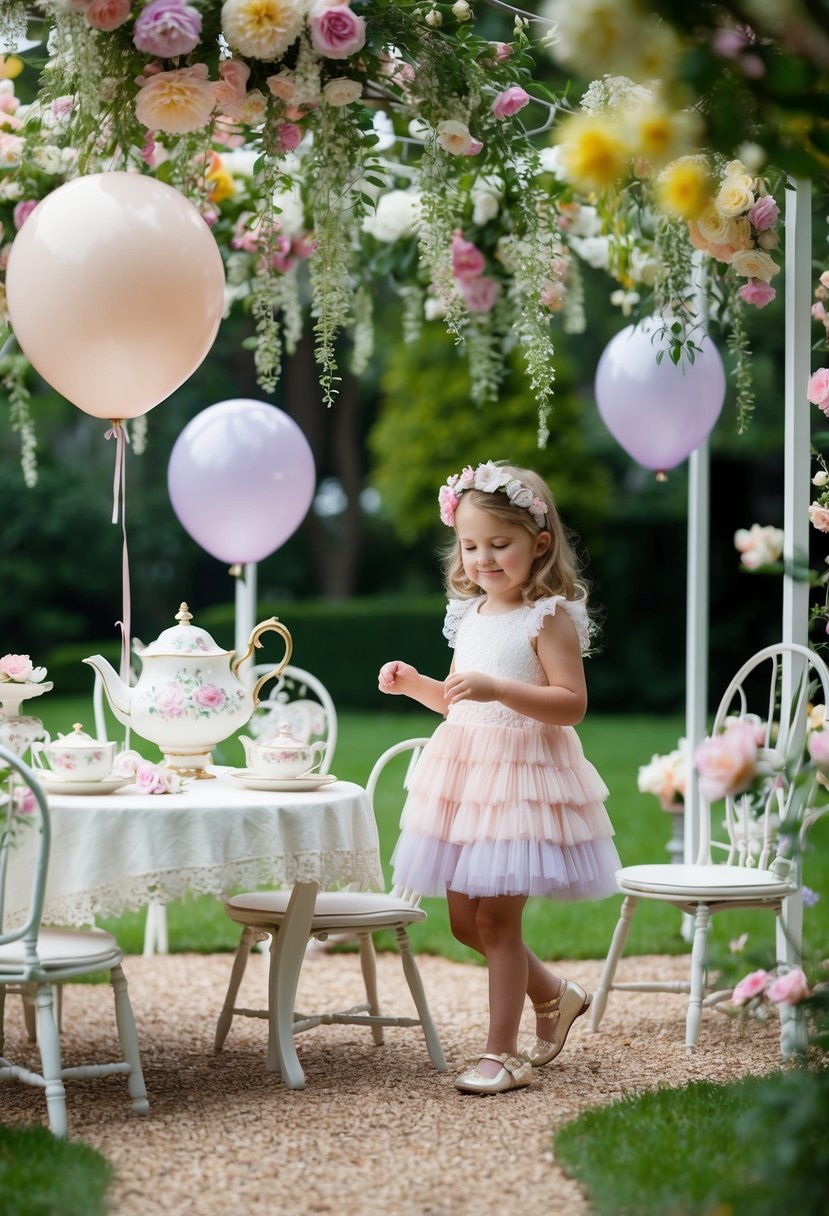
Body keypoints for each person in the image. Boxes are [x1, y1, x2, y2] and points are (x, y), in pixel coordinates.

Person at [378, 460, 620, 1095]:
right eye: (470, 545)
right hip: (464, 779)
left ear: (539, 545)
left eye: (499, 544)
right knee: (463, 923)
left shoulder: (549, 617)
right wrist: (416, 686)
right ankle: (555, 995)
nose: (483, 558)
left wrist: (500, 688)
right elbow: (460, 699)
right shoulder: (473, 613)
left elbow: (571, 703)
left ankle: (501, 1054)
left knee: (497, 924)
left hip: (518, 781)